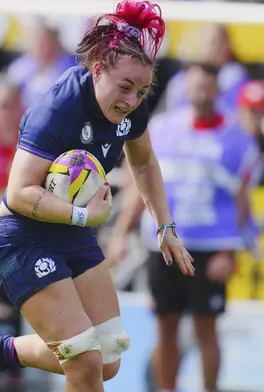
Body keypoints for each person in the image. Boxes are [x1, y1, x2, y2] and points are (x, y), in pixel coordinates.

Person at [0, 2, 195, 392]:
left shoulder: (132, 106)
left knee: (107, 360)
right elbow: (19, 192)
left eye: (142, 91)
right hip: (20, 236)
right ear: (97, 70)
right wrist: (83, 218)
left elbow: (144, 163)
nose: (132, 100)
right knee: (84, 360)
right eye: (125, 87)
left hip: (70, 231)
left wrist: (164, 226)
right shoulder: (59, 108)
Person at [106, 62, 259, 392]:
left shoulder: (236, 140)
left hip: (209, 249)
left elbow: (242, 202)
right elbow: (140, 186)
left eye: (206, 86)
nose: (199, 92)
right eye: (194, 85)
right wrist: (120, 234)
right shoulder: (161, 128)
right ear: (184, 89)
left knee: (206, 329)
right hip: (162, 244)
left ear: (217, 90)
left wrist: (229, 251)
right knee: (165, 326)